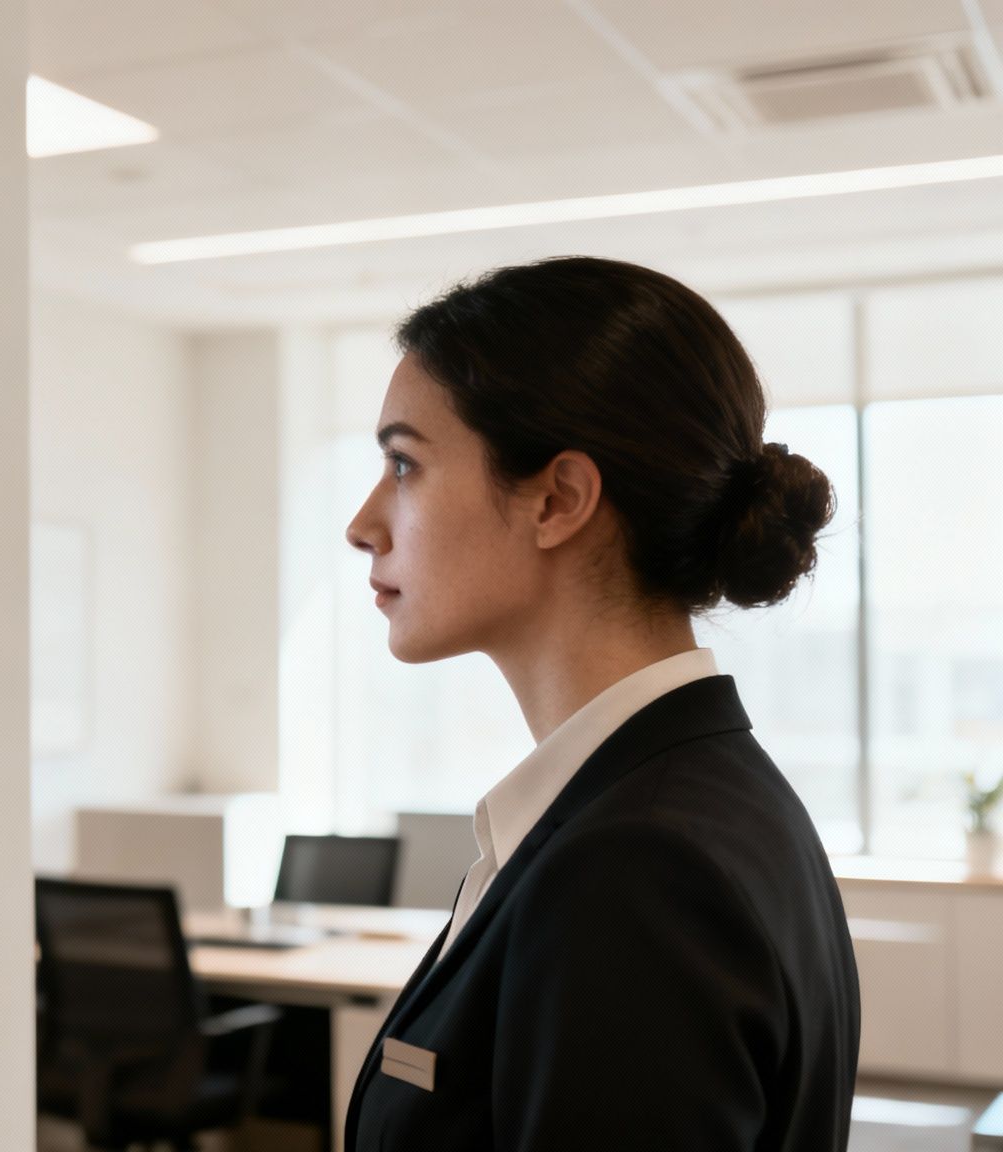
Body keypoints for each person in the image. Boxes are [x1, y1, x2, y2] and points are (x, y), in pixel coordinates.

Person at [341, 257, 860, 1150]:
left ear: (558, 499)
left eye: (404, 464)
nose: (363, 523)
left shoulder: (635, 867)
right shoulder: (695, 798)